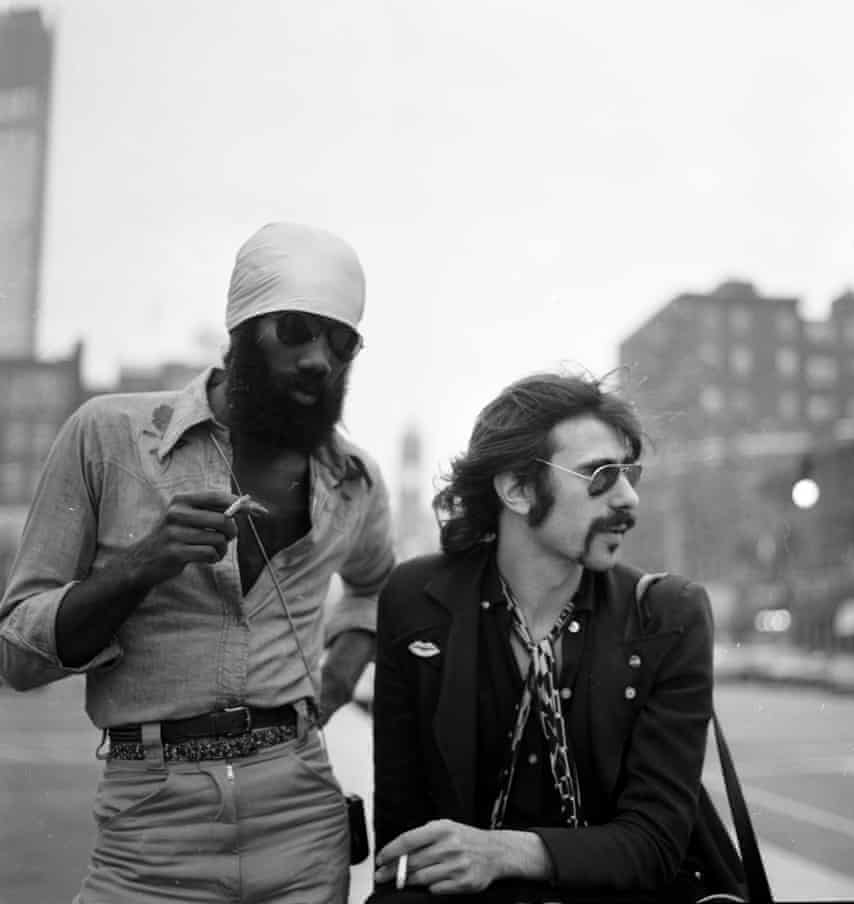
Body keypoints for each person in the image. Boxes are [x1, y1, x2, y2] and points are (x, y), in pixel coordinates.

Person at [0, 222, 396, 904]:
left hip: (302, 814)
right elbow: (18, 653)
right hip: (151, 823)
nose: (318, 360)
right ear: (240, 329)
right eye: (295, 330)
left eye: (341, 343)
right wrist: (140, 565)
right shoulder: (110, 437)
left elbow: (372, 590)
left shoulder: (355, 479)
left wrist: (329, 692)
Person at [370, 372, 715, 904]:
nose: (628, 500)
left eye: (630, 474)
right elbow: (405, 849)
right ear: (516, 488)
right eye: (599, 475)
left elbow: (656, 844)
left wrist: (502, 852)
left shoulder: (667, 615)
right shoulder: (415, 601)